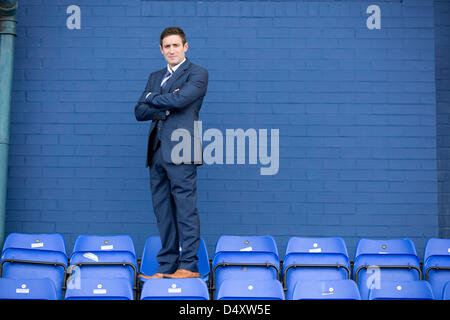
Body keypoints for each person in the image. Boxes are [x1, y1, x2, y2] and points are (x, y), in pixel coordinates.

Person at [134, 27, 208, 279]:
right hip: (156, 151)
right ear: (161, 49)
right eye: (167, 46)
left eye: (176, 45)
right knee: (163, 211)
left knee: (185, 209)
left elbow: (181, 101)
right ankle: (166, 267)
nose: (171, 50)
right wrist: (163, 105)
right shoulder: (156, 76)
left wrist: (153, 99)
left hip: (182, 149)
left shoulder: (197, 73)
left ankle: (188, 266)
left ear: (185, 47)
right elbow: (139, 112)